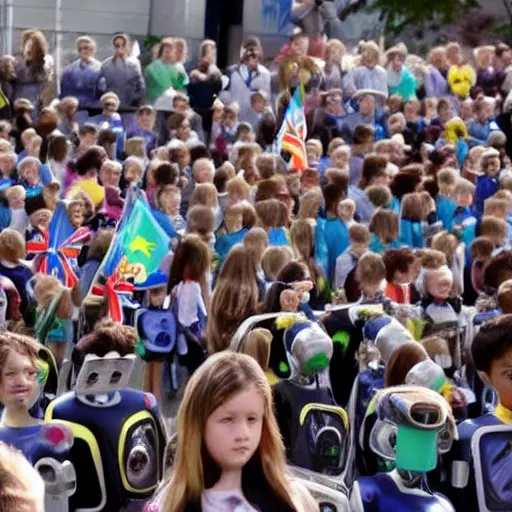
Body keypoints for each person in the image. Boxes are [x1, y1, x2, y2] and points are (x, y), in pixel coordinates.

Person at [149, 351, 317, 511]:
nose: (243, 434)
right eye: (227, 420)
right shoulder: (167, 504)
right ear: (198, 424)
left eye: (252, 419)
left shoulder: (293, 498)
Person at [60, 35, 101, 125]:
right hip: (73, 113)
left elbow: (102, 93)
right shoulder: (69, 70)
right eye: (80, 48)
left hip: (93, 112)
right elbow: (64, 93)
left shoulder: (101, 69)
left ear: (93, 50)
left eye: (86, 48)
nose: (83, 51)